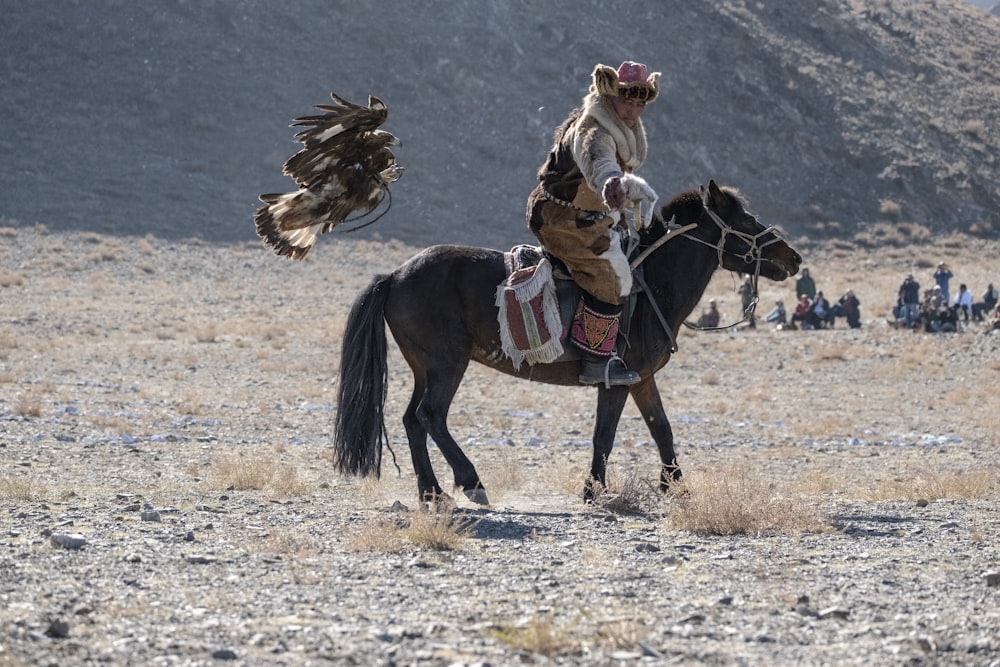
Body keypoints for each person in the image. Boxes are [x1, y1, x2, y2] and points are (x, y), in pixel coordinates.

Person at [527, 60, 661, 386]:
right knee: (613, 278)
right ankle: (596, 362)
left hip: (592, 219)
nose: (632, 110)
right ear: (610, 93)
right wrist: (611, 183)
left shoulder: (623, 130)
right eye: (627, 100)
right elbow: (597, 160)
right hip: (561, 220)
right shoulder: (593, 129)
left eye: (640, 103)